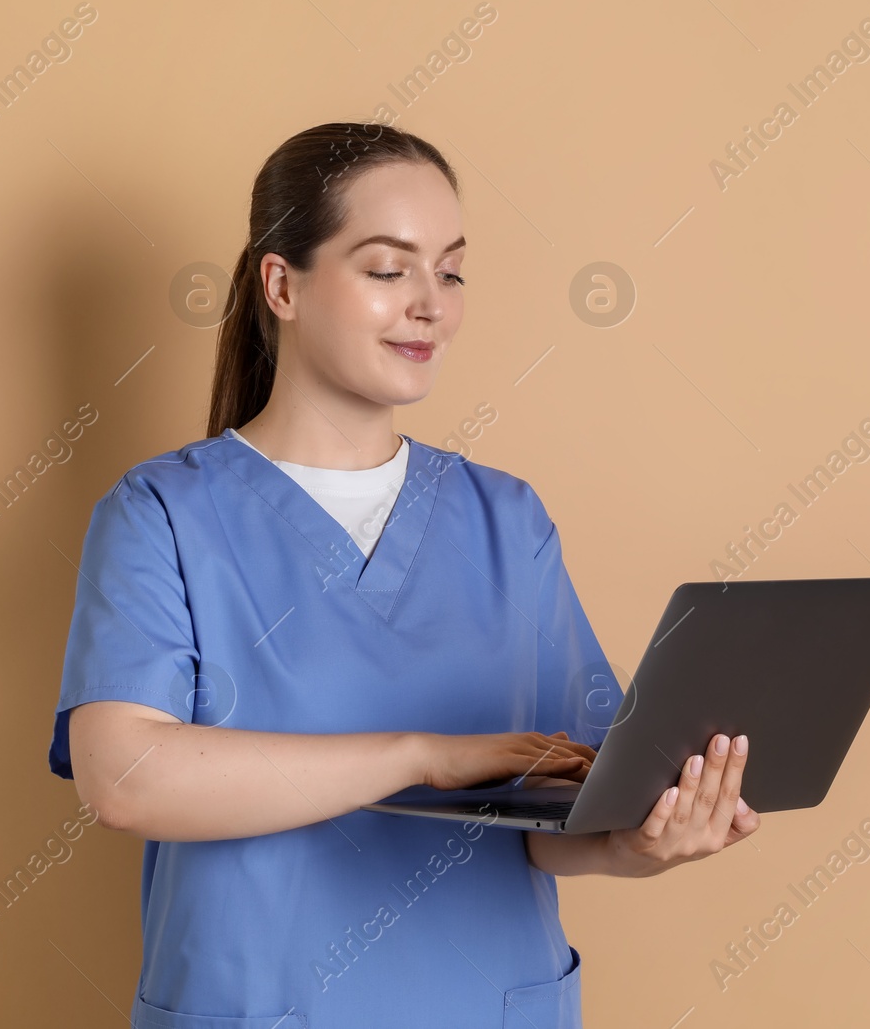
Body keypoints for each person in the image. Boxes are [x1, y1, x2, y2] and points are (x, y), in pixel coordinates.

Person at [48, 122, 760, 1028]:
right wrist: (423, 756)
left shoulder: (507, 520)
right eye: (389, 270)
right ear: (282, 284)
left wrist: (648, 842)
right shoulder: (163, 514)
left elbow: (558, 818)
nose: (432, 304)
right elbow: (126, 778)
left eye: (451, 271)